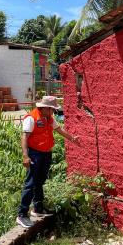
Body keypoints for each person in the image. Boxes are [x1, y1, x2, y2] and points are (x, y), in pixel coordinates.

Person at [16, 95, 80, 228]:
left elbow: (59, 130)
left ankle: (37, 209)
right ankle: (22, 214)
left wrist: (72, 138)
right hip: (34, 154)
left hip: (46, 153)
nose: (54, 112)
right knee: (30, 183)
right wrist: (25, 156)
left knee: (40, 181)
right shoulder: (31, 118)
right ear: (46, 108)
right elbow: (24, 137)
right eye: (53, 110)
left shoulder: (49, 118)